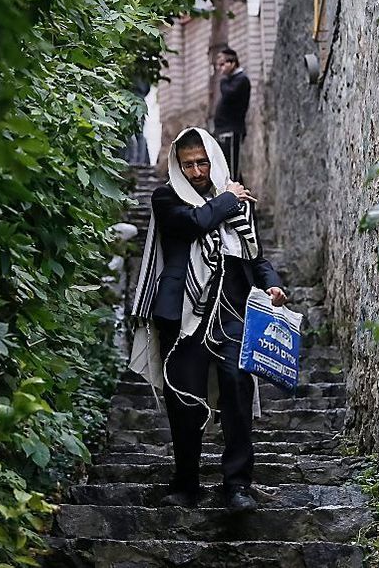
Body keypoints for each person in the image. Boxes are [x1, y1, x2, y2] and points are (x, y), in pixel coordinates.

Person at [129, 127, 286, 513]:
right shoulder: (166, 197)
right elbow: (195, 223)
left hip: (233, 315)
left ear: (214, 160)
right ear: (177, 167)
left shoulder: (236, 202)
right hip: (183, 318)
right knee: (185, 400)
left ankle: (237, 486)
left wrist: (273, 285)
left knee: (236, 392)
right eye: (188, 164)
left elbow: (255, 257)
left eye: (203, 162)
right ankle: (186, 485)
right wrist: (230, 198)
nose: (197, 171)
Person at [212, 48, 251, 180]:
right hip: (223, 130)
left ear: (233, 63)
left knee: (232, 170)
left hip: (233, 131)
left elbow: (229, 94)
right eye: (219, 65)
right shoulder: (230, 80)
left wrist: (223, 81)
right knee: (225, 168)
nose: (220, 68)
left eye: (223, 64)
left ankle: (238, 199)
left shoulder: (241, 80)